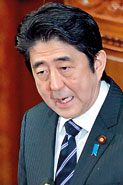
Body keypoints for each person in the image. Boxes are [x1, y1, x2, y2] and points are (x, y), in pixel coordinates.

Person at [15, 2, 123, 185]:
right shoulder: (34, 121)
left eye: (65, 68)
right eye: (42, 72)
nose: (55, 85)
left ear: (97, 64)